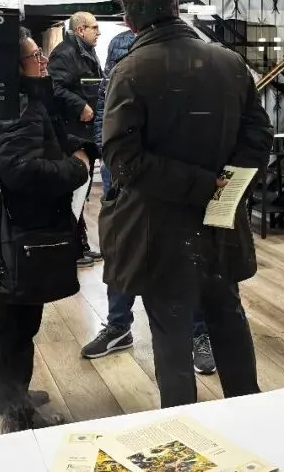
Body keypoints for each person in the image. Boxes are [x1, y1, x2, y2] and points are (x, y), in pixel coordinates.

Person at [101, 0, 273, 408]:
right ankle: (252, 418)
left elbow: (122, 159)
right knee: (228, 318)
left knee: (171, 338)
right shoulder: (228, 62)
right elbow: (259, 137)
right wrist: (224, 188)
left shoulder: (130, 70)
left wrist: (204, 186)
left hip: (158, 229)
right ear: (175, 7)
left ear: (129, 20)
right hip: (219, 220)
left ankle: (185, 430)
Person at [81, 28, 215, 375]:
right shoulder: (121, 48)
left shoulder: (184, 53)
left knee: (189, 252)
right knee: (122, 250)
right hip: (127, 174)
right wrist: (112, 162)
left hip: (172, 173)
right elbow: (105, 109)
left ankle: (199, 333)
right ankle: (118, 325)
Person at [0, 30, 92, 416]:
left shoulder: (11, 100)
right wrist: (76, 168)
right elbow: (21, 169)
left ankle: (5, 393)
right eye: (34, 57)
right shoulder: (22, 107)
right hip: (25, 227)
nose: (43, 61)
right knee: (20, 316)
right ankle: (17, 407)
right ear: (14, 67)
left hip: (11, 224)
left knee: (10, 313)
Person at [47, 11, 102, 265]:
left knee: (82, 190)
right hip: (72, 135)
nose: (98, 32)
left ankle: (78, 246)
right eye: (94, 27)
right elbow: (54, 87)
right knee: (75, 191)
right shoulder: (65, 53)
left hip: (84, 133)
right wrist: (80, 105)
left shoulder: (85, 52)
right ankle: (68, 248)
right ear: (80, 30)